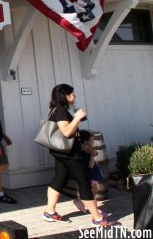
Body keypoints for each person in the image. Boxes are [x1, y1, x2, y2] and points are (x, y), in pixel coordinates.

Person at [42, 84, 119, 227]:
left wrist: (84, 147)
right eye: (72, 94)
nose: (74, 96)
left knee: (59, 180)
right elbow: (66, 132)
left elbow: (71, 137)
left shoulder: (57, 110)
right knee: (85, 184)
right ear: (65, 96)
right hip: (69, 154)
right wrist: (77, 118)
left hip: (62, 152)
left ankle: (50, 212)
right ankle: (97, 218)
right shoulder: (61, 110)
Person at [72, 130, 111, 218]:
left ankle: (82, 201)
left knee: (95, 191)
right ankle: (95, 211)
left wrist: (92, 153)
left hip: (92, 175)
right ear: (85, 142)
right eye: (92, 140)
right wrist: (92, 157)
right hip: (90, 175)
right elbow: (90, 165)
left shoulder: (87, 150)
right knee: (92, 194)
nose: (93, 142)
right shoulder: (84, 153)